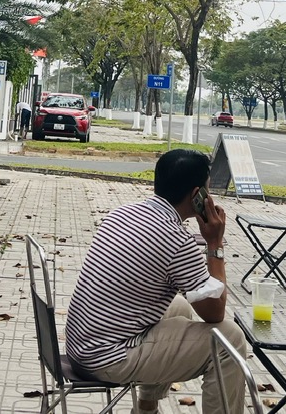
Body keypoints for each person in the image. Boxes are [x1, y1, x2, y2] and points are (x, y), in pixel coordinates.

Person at [66, 148, 247, 414]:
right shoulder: (176, 241)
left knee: (180, 307)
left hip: (82, 345)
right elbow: (215, 311)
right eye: (208, 190)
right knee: (229, 340)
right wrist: (215, 244)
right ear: (198, 195)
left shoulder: (122, 213)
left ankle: (146, 409)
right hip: (107, 359)